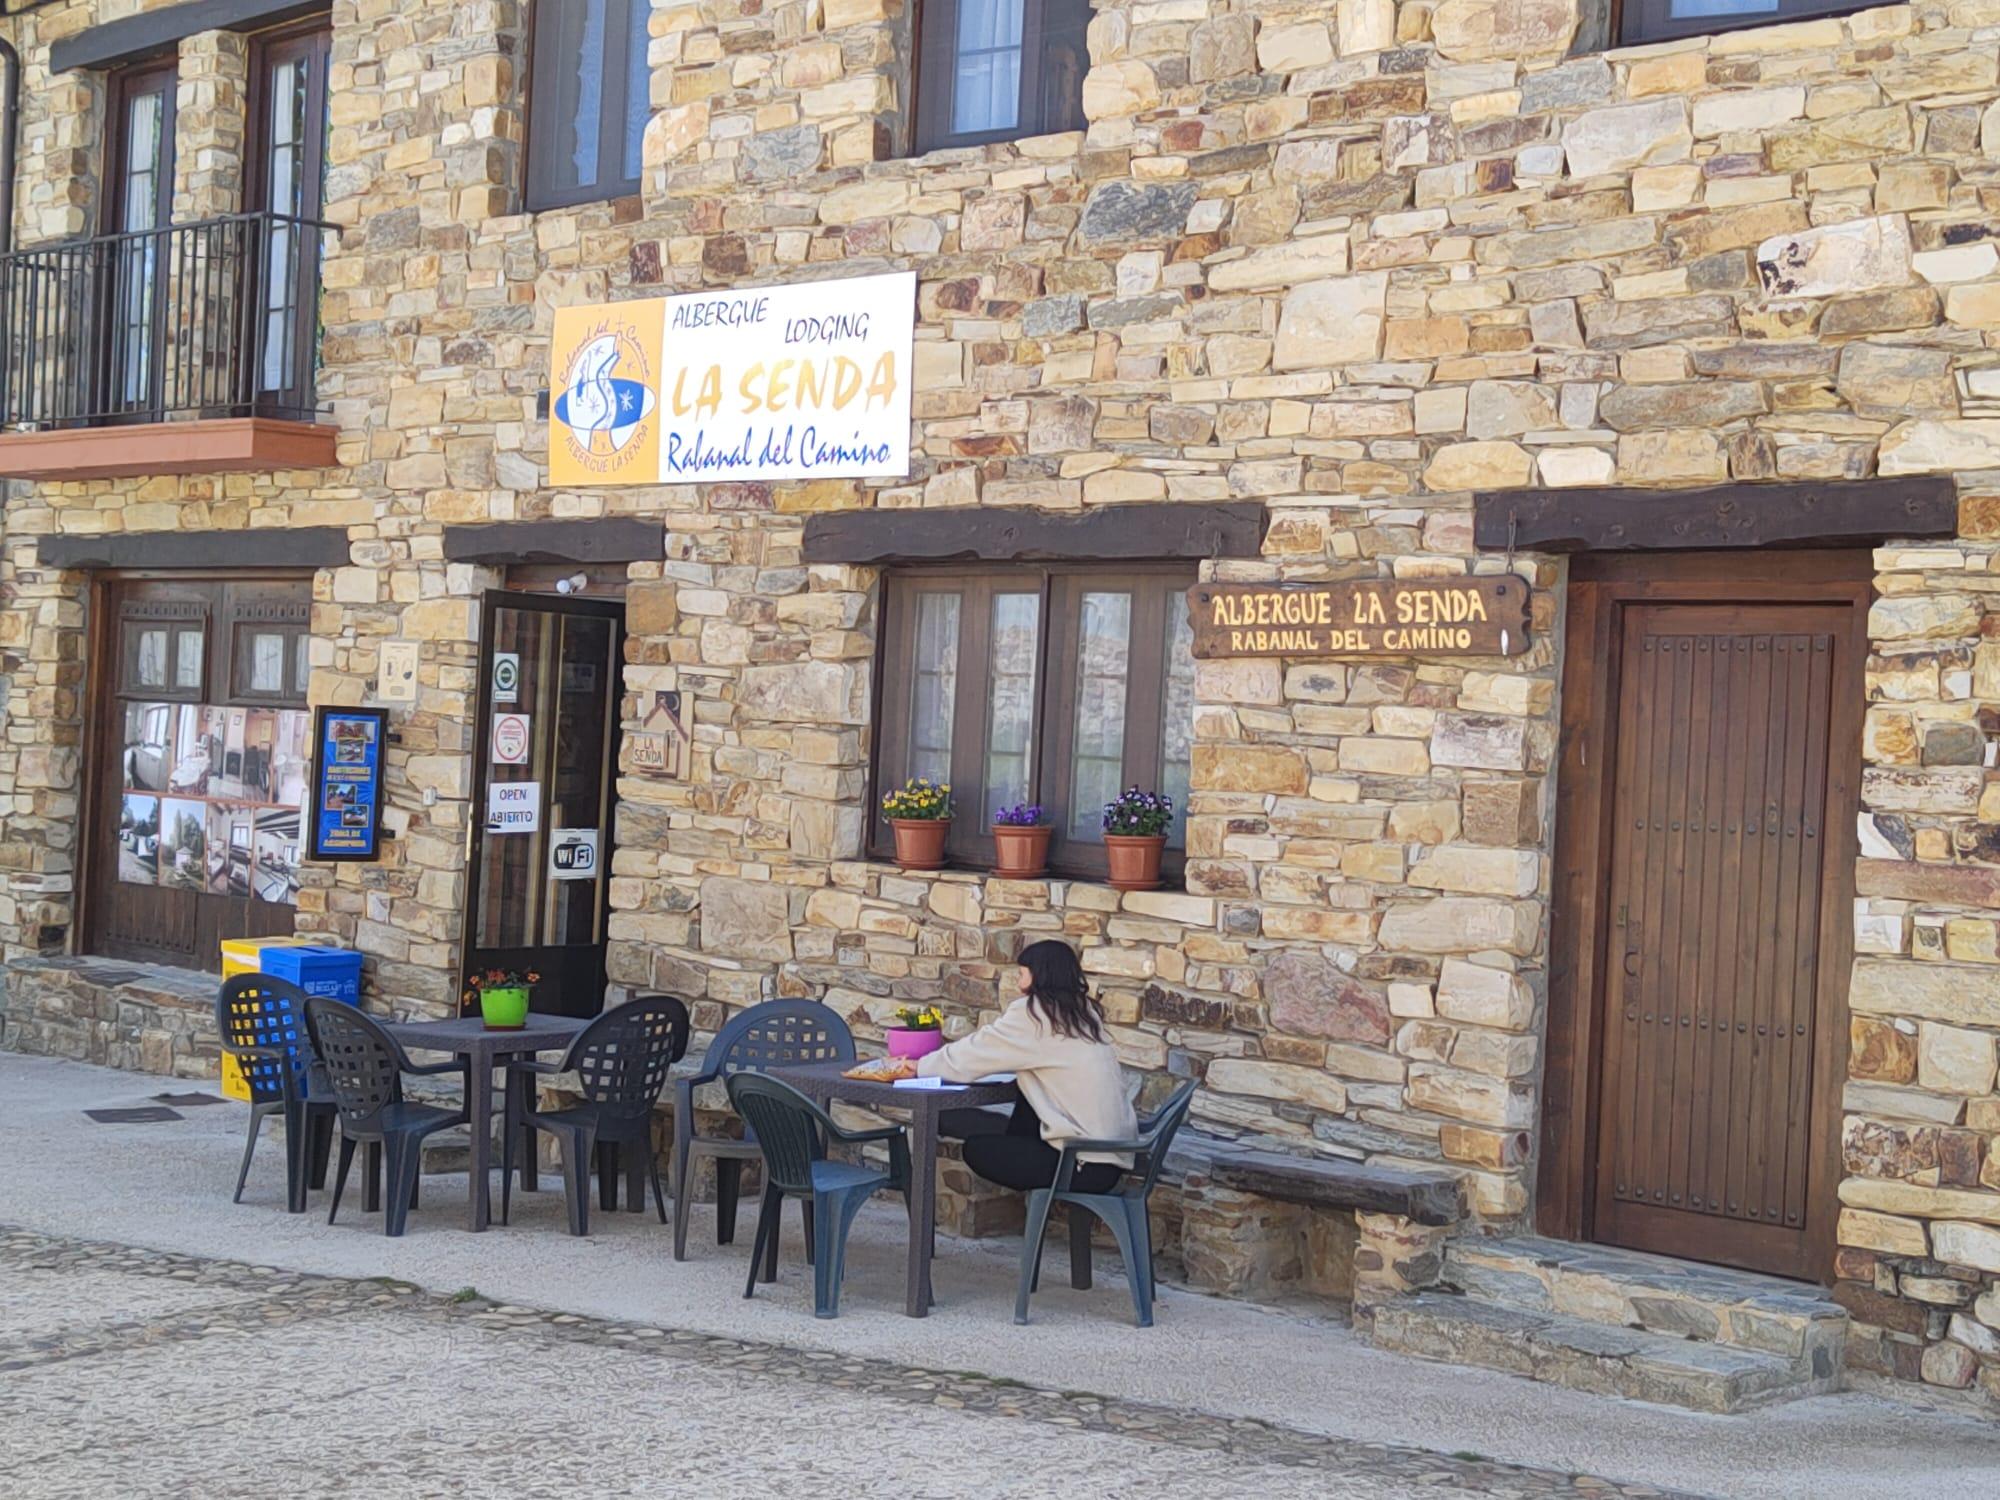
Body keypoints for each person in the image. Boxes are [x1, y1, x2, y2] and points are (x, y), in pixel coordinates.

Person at [882, 940, 1138, 1194]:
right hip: (1110, 1158)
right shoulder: (1082, 1013)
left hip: (1079, 1163)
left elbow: (975, 1053)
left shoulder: (1037, 1014)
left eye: (1021, 974)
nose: (1017, 983)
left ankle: (942, 1128)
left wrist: (920, 1066)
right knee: (1008, 1108)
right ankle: (949, 1120)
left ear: (1038, 976)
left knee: (976, 1148)